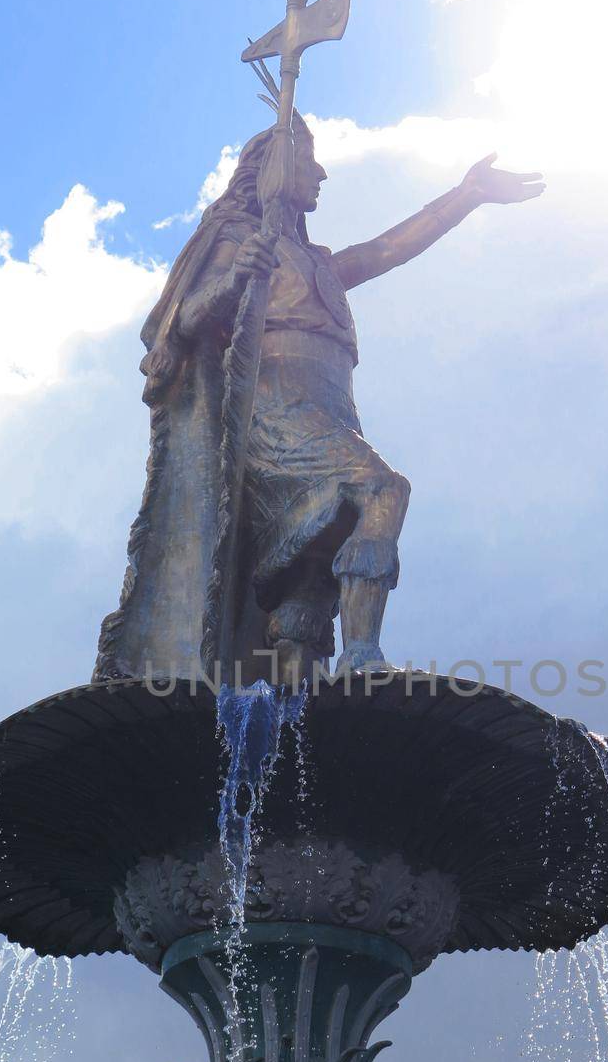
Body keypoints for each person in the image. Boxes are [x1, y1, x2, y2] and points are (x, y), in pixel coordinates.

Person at [94, 118, 543, 686]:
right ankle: (361, 655)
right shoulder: (237, 240)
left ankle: (293, 707)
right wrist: (234, 278)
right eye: (309, 160)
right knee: (381, 489)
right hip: (275, 412)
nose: (322, 172)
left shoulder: (319, 263)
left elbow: (386, 250)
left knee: (309, 571)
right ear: (275, 170)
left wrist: (466, 195)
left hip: (332, 407)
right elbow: (178, 323)